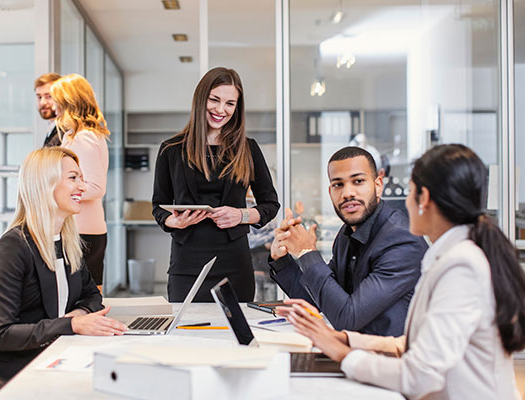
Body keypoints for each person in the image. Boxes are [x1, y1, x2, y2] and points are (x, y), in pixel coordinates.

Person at [280, 144, 525, 399]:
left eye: (409, 192)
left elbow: (420, 375)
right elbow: (414, 344)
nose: (404, 203)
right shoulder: (449, 256)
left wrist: (345, 355)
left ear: (424, 198)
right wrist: (344, 341)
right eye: (338, 184)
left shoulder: (460, 266)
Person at [0, 147, 126, 400]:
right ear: (44, 184)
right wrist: (70, 324)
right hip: (4, 373)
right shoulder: (13, 248)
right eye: (73, 178)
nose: (83, 186)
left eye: (81, 177)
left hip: (45, 356)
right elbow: (3, 335)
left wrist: (78, 316)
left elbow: (93, 296)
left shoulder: (67, 241)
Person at [269, 146, 428, 336]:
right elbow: (318, 301)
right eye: (338, 184)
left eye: (358, 181)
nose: (347, 193)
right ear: (330, 192)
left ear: (378, 185)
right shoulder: (347, 234)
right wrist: (282, 259)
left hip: (393, 359)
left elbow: (348, 318)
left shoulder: (401, 240)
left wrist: (306, 253)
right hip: (357, 352)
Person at [152, 67, 279, 302]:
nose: (221, 110)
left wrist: (241, 215)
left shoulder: (248, 149)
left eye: (230, 104)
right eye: (214, 100)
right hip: (187, 264)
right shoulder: (171, 150)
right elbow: (158, 206)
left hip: (234, 263)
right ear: (201, 99)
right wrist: (174, 221)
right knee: (186, 334)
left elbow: (271, 204)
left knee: (234, 334)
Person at [51, 74, 110, 292]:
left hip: (83, 231)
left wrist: (56, 192)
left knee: (86, 297)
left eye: (55, 99)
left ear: (67, 102)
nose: (53, 106)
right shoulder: (75, 135)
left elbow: (95, 187)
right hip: (80, 228)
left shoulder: (83, 137)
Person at [34, 72, 61, 147]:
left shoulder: (66, 132)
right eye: (39, 97)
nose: (42, 103)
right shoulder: (52, 129)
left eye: (49, 96)